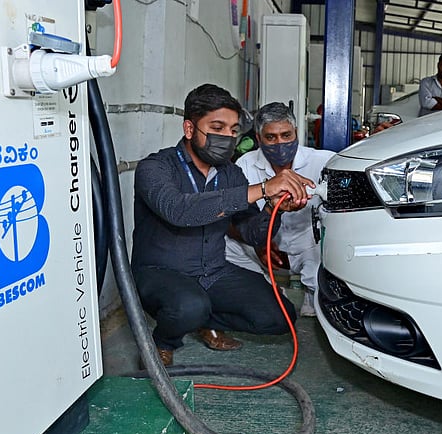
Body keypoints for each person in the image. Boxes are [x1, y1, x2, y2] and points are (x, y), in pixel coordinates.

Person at [132, 84, 315, 366]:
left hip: (214, 271)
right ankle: (162, 342)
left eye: (232, 130)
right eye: (217, 127)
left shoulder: (232, 174)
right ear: (190, 129)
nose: (227, 137)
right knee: (188, 305)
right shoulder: (155, 168)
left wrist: (273, 208)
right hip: (161, 272)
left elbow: (252, 232)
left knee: (279, 316)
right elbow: (180, 211)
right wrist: (264, 188)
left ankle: (203, 321)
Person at [226, 102, 335, 317]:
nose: (280, 143)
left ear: (296, 133)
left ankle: (312, 291)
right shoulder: (244, 166)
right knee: (225, 247)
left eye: (286, 135)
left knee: (322, 301)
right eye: (271, 138)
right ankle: (267, 287)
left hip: (310, 246)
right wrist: (256, 242)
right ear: (259, 139)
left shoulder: (324, 162)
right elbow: (229, 219)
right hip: (265, 248)